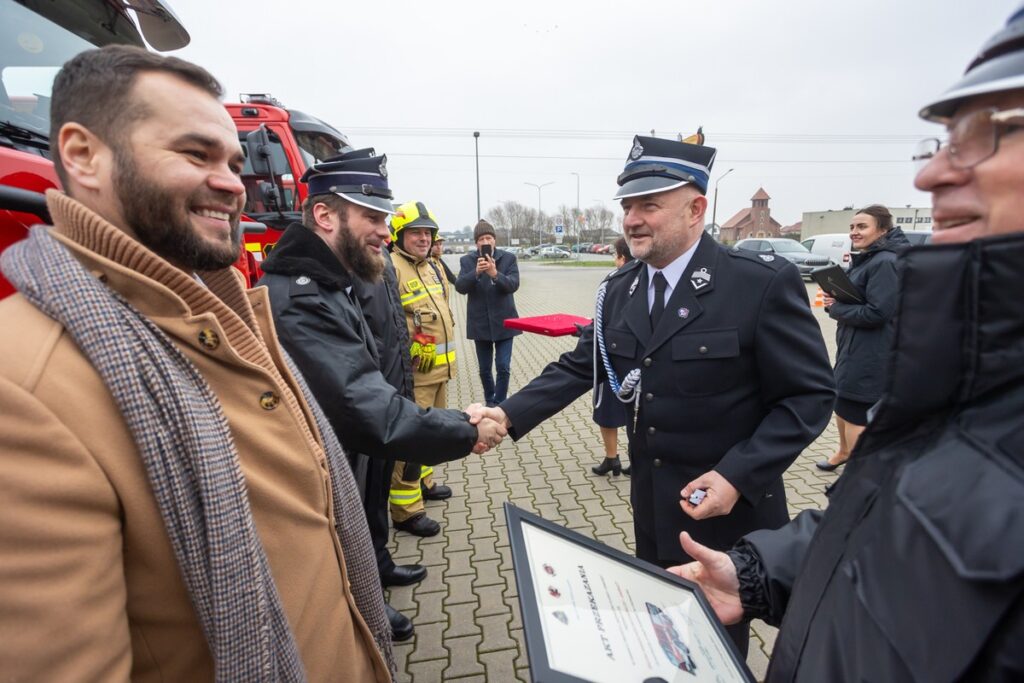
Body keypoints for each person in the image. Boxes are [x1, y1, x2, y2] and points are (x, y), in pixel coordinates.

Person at [0, 46, 394, 681]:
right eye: (195, 155)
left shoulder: (224, 320)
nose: (233, 183)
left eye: (236, 162)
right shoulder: (23, 388)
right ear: (81, 155)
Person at [671, 10, 1024, 679]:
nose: (931, 176)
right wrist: (755, 573)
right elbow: (886, 532)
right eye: (940, 141)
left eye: (983, 135)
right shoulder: (977, 367)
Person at [479, 134, 835, 654]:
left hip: (727, 514)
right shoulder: (620, 289)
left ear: (696, 209)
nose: (632, 219)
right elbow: (582, 365)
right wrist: (506, 415)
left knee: (715, 646)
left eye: (650, 205)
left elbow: (809, 397)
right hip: (652, 504)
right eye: (628, 206)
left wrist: (737, 475)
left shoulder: (757, 284)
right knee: (667, 636)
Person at [256, 152, 506, 638]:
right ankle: (364, 617)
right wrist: (466, 429)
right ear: (326, 216)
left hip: (357, 440)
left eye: (386, 218)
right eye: (372, 217)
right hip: (335, 458)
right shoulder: (302, 294)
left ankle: (373, 583)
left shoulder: (331, 277)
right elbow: (362, 407)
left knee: (367, 518)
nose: (384, 231)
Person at [816, 205, 909, 471]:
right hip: (853, 343)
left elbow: (879, 312)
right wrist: (834, 299)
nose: (854, 232)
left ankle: (858, 473)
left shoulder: (885, 262)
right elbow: (859, 299)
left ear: (882, 230)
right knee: (843, 400)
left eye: (862, 227)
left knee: (856, 408)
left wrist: (836, 308)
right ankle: (844, 452)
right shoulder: (870, 257)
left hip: (872, 350)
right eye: (852, 227)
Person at [387, 201, 458, 537]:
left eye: (427, 232)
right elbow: (386, 323)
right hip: (415, 375)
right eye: (415, 232)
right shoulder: (391, 268)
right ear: (399, 234)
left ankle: (425, 484)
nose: (423, 238)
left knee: (429, 436)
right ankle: (406, 511)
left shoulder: (431, 266)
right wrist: (407, 348)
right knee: (412, 442)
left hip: (440, 371)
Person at [456, 219, 522, 407]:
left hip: (505, 322)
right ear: (476, 243)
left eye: (489, 237)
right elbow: (460, 287)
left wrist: (495, 274)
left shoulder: (508, 259)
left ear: (494, 240)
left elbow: (513, 285)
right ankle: (489, 400)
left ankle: (499, 404)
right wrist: (475, 273)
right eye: (481, 238)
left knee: (503, 367)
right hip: (480, 323)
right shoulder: (467, 261)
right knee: (485, 369)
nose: (486, 241)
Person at [591, 236, 634, 477]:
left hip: (612, 358)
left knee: (607, 410)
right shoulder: (647, 277)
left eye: (614, 255)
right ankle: (624, 460)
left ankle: (612, 458)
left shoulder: (613, 282)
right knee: (632, 415)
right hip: (631, 363)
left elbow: (604, 321)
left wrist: (587, 331)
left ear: (621, 257)